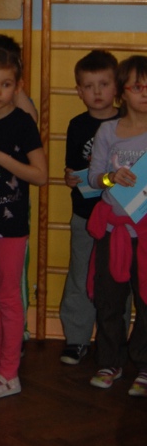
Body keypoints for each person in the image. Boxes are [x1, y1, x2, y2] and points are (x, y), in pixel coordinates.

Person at [0, 46, 46, 399]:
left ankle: (8, 374)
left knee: (7, 298)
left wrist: (1, 158)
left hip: (11, 227)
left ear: (17, 87)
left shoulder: (22, 123)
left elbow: (41, 175)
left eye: (6, 84)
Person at [87, 54, 147, 394]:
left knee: (146, 299)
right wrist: (112, 177)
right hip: (113, 230)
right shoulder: (108, 130)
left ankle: (144, 365)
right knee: (109, 300)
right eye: (137, 87)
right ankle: (110, 361)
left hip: (146, 231)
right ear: (122, 92)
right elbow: (94, 178)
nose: (145, 93)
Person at [60, 50, 120, 365]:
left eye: (104, 84)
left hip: (121, 218)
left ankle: (114, 341)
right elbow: (73, 169)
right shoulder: (77, 125)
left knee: (118, 278)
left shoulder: (128, 121)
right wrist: (70, 178)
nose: (97, 92)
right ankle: (76, 339)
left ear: (117, 87)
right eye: (89, 86)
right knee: (80, 274)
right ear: (79, 91)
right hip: (85, 213)